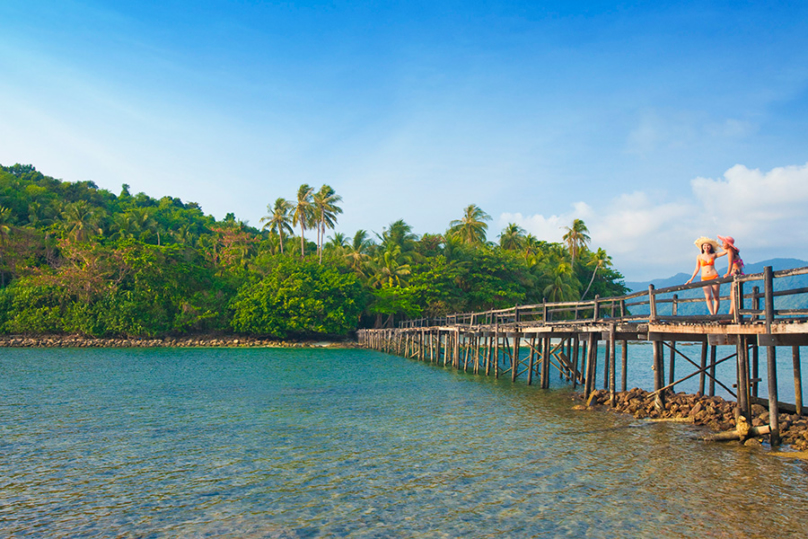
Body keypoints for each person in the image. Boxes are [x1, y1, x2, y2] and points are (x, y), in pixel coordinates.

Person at [686, 237, 725, 315]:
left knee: (716, 297)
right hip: (704, 278)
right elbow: (697, 268)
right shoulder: (699, 256)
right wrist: (691, 278)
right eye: (704, 245)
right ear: (702, 247)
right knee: (708, 297)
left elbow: (726, 252)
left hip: (714, 276)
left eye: (708, 245)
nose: (706, 247)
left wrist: (719, 245)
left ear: (710, 247)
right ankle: (712, 314)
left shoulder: (713, 255)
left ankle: (715, 314)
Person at [718, 235, 744, 315]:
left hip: (735, 274)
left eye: (723, 243)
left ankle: (731, 314)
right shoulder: (734, 251)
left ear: (728, 244)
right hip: (740, 273)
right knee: (735, 295)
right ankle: (734, 314)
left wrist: (727, 273)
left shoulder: (730, 251)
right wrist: (718, 245)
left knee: (733, 296)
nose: (722, 244)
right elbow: (724, 249)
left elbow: (730, 263)